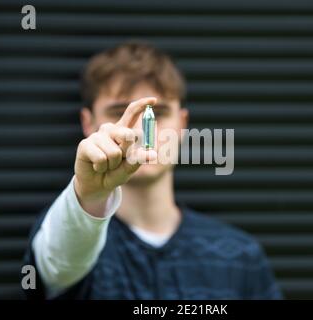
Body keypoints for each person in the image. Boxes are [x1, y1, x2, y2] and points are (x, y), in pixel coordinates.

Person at [22, 41, 282, 299]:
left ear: (182, 124)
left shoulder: (240, 256)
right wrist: (88, 195)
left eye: (157, 113)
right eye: (119, 112)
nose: (137, 132)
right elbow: (60, 261)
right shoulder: (70, 234)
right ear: (88, 124)